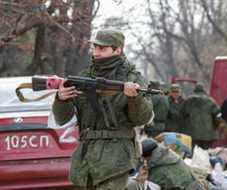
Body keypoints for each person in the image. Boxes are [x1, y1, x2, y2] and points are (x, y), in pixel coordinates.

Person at [52, 29, 153, 190]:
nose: (96, 52)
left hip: (116, 158)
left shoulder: (133, 79)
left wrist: (134, 98)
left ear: (118, 49)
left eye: (102, 49)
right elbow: (63, 119)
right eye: (95, 48)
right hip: (86, 158)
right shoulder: (85, 76)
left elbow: (142, 118)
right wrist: (61, 99)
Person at [140, 138, 207, 190]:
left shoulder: (156, 172)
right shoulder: (171, 156)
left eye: (144, 159)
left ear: (147, 157)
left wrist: (142, 181)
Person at [181, 84, 221, 149]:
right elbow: (218, 115)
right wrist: (216, 125)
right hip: (208, 134)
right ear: (203, 91)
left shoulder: (188, 101)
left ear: (195, 90)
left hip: (192, 133)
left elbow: (182, 114)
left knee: (193, 154)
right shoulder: (211, 101)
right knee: (205, 155)